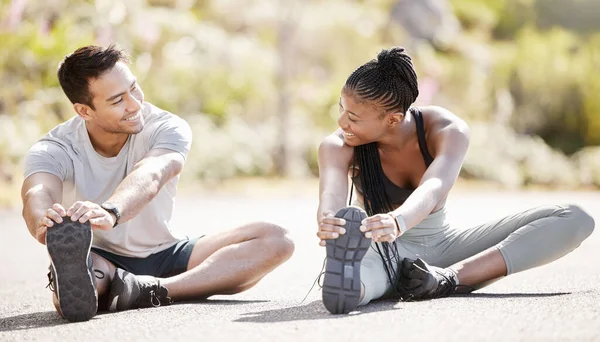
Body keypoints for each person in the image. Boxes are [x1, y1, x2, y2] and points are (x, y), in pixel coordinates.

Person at [21, 45, 295, 322]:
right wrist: (44, 221)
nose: (135, 104)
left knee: (277, 239)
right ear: (84, 110)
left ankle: (151, 289)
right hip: (102, 256)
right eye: (118, 100)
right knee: (86, 280)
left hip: (169, 252)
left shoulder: (165, 126)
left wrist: (111, 211)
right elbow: (37, 192)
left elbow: (152, 172)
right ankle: (102, 281)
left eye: (134, 88)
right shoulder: (55, 147)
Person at [316, 46, 595, 314]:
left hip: (445, 246)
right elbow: (331, 191)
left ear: (393, 119)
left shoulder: (447, 129)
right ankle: (356, 285)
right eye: (341, 108)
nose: (341, 122)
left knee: (574, 218)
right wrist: (329, 218)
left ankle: (446, 278)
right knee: (353, 285)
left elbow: (434, 186)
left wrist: (398, 220)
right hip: (382, 249)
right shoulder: (337, 146)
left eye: (353, 116)